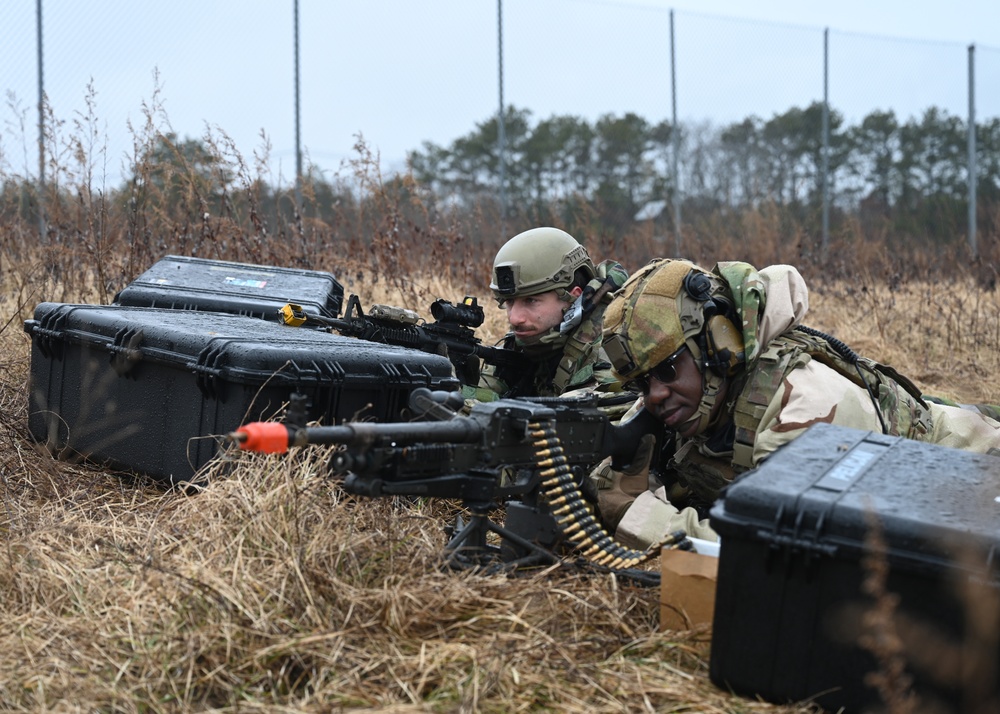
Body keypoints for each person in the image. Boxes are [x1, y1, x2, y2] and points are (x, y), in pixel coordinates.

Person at [590, 258, 1000, 547]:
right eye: (642, 381)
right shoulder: (688, 399)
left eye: (667, 370)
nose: (655, 394)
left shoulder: (805, 408)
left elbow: (777, 548)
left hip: (976, 481)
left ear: (718, 345)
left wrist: (641, 517)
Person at [463, 226, 630, 402]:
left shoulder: (612, 348)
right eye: (509, 302)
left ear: (574, 296)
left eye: (531, 301)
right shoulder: (529, 340)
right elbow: (485, 397)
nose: (514, 318)